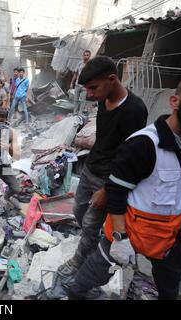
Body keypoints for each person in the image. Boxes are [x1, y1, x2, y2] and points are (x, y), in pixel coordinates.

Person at [68, 76, 181, 300]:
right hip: (131, 235)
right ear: (175, 101)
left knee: (169, 291)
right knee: (82, 286)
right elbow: (115, 191)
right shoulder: (145, 144)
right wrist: (120, 237)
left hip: (170, 241)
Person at [56, 56, 148, 279]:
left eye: (93, 88)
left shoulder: (134, 111)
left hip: (108, 179)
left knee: (89, 223)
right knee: (78, 211)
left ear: (112, 79)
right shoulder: (102, 99)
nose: (90, 94)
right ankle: (92, 239)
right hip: (91, 169)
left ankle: (80, 260)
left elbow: (130, 158)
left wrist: (108, 190)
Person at [71, 50, 92, 115]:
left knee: (83, 101)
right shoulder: (79, 63)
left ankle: (80, 113)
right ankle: (75, 112)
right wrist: (72, 83)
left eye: (87, 55)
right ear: (83, 56)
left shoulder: (90, 65)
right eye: (85, 55)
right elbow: (75, 74)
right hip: (77, 84)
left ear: (89, 56)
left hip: (85, 86)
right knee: (75, 100)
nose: (86, 56)